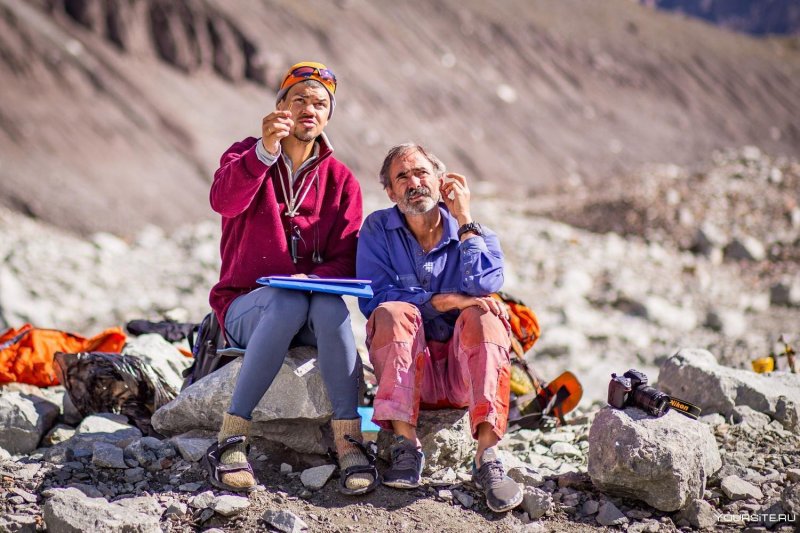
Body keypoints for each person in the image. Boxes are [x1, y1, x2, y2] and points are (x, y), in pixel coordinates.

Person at [205, 62, 377, 495]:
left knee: (328, 304)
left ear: (328, 116)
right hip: (247, 304)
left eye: (320, 103)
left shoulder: (340, 180)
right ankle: (230, 438)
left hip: (308, 304)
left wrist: (308, 277)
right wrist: (263, 151)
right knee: (286, 300)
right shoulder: (246, 154)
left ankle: (350, 440)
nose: (309, 108)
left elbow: (345, 257)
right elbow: (223, 202)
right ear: (279, 107)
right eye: (298, 98)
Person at [356, 143, 522, 512]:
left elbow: (484, 284)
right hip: (413, 376)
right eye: (402, 177)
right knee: (392, 312)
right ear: (390, 191)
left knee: (486, 315)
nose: (413, 182)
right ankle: (406, 447)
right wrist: (441, 302)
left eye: (421, 173)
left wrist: (464, 218)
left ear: (440, 180)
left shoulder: (474, 231)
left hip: (464, 376)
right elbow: (372, 296)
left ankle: (487, 456)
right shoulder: (378, 230)